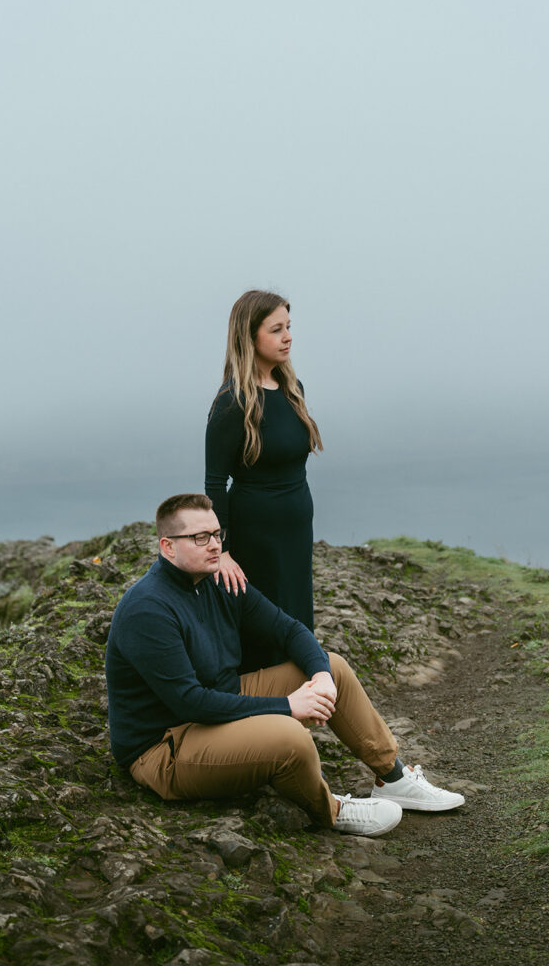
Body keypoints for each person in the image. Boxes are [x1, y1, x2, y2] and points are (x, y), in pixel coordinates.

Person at [105, 494, 465, 839]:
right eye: (200, 537)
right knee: (290, 737)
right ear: (168, 546)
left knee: (332, 666)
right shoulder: (148, 609)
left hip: (219, 702)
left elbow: (288, 629)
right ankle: (333, 811)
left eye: (217, 534)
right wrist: (289, 706)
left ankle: (393, 777)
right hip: (166, 745)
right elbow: (189, 702)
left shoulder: (216, 579)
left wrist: (321, 678)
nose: (214, 545)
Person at [205, 289, 322, 672]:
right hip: (255, 536)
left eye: (289, 327)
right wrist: (221, 550)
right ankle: (265, 713)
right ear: (249, 337)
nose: (288, 336)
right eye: (276, 329)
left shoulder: (293, 389)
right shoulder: (232, 401)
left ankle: (301, 704)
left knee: (297, 616)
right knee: (264, 624)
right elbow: (214, 482)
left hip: (296, 531)